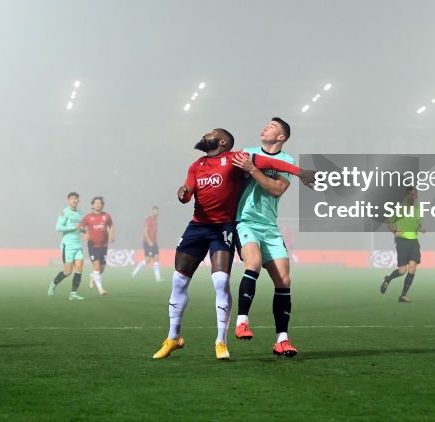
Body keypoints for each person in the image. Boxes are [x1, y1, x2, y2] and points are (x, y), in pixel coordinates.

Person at [153, 128, 315, 361]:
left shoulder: (235, 158)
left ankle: (221, 341)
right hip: (197, 227)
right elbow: (187, 193)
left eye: (210, 133)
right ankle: (173, 337)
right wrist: (183, 193)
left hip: (223, 228)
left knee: (221, 281)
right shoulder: (197, 165)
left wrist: (300, 173)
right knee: (178, 280)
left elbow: (271, 163)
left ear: (222, 141)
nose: (204, 135)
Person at [233, 117, 299, 357]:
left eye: (272, 126)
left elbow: (276, 189)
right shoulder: (247, 153)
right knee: (253, 263)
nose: (265, 127)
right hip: (245, 220)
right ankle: (242, 321)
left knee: (284, 280)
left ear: (281, 137)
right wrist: (246, 170)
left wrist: (252, 170)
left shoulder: (287, 161)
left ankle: (282, 340)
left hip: (269, 226)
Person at [380, 186, 425, 303]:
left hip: (414, 242)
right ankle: (388, 279)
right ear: (406, 196)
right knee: (402, 271)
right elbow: (389, 222)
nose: (411, 197)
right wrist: (395, 231)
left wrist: (421, 228)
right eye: (409, 194)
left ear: (416, 196)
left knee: (413, 268)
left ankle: (403, 296)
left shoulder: (418, 209)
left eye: (413, 194)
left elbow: (419, 224)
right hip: (402, 241)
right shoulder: (400, 208)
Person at [48, 192, 86, 300]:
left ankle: (73, 293)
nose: (74, 200)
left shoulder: (80, 213)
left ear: (78, 201)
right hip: (67, 245)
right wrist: (74, 227)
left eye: (76, 198)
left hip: (77, 245)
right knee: (68, 272)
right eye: (72, 198)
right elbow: (58, 228)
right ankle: (53, 284)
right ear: (68, 200)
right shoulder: (64, 212)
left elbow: (79, 228)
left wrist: (83, 232)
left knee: (79, 267)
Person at [82, 196, 115, 296]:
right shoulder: (88, 217)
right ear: (92, 205)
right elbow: (80, 228)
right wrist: (84, 235)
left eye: (99, 203)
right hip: (93, 245)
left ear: (102, 205)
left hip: (103, 245)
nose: (97, 205)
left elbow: (111, 226)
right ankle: (101, 290)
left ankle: (93, 276)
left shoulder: (106, 216)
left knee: (102, 268)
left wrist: (112, 235)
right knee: (96, 267)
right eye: (96, 203)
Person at [132, 206, 162, 281]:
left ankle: (158, 278)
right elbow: (145, 231)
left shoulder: (156, 221)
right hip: (148, 242)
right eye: (155, 211)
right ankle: (134, 272)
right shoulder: (149, 219)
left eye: (157, 211)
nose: (156, 212)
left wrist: (154, 241)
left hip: (154, 242)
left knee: (156, 258)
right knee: (148, 260)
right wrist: (149, 241)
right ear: (152, 211)